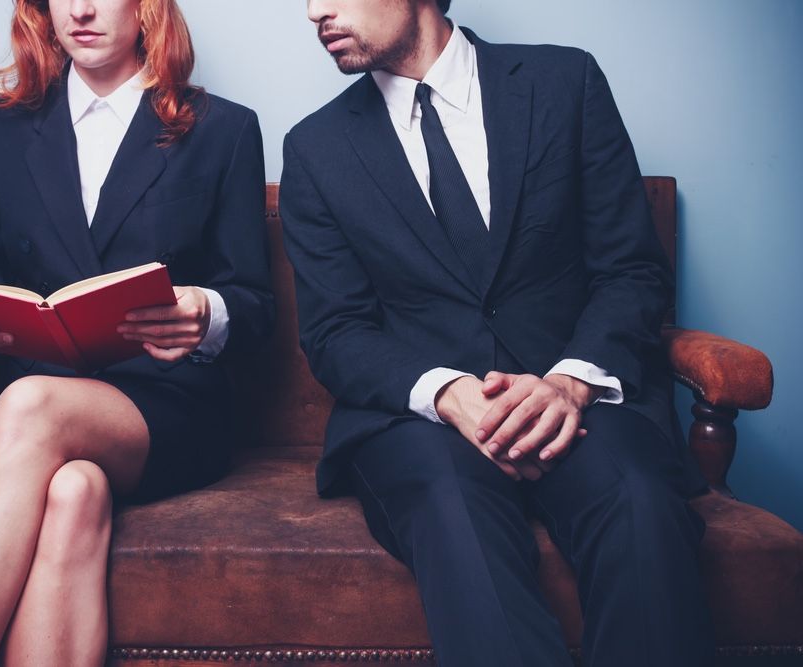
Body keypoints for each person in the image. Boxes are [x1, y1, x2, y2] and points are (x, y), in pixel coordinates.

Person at [280, 1, 712, 665]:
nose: (315, 10)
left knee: (639, 505)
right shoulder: (314, 149)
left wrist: (571, 382)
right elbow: (336, 331)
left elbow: (630, 271)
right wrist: (449, 393)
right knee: (454, 509)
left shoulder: (566, 85)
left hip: (575, 397)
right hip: (420, 422)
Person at [0, 0, 272, 664]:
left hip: (169, 407)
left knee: (27, 407)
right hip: (41, 404)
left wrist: (206, 310)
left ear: (146, 9)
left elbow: (256, 306)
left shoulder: (223, 128)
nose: (81, 9)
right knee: (72, 491)